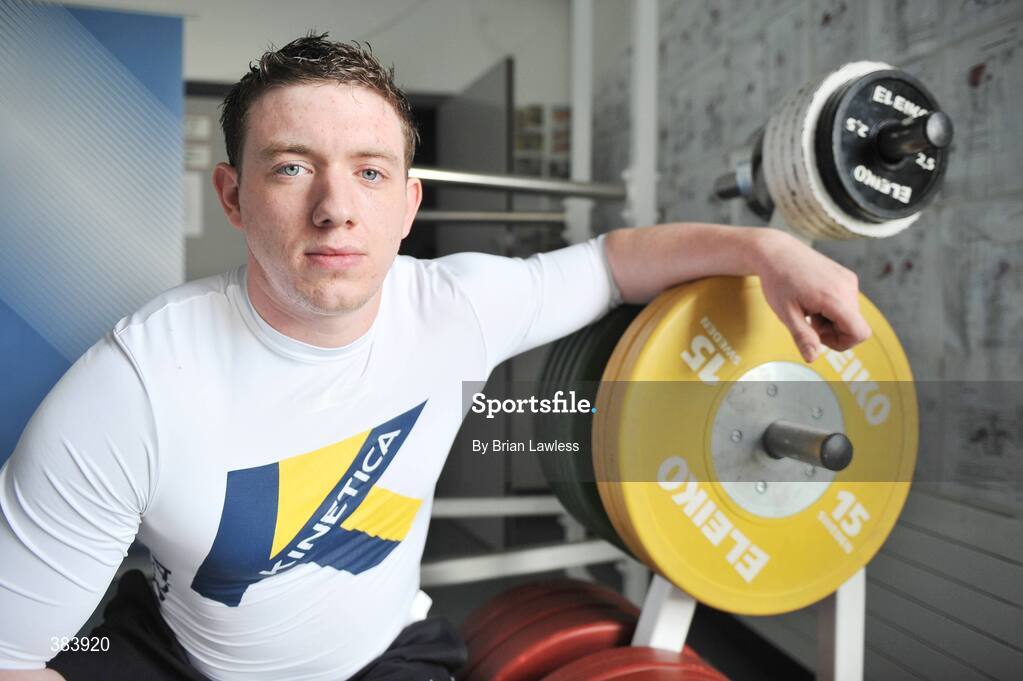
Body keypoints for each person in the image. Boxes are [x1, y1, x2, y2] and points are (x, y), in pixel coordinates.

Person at [0, 33, 868, 681]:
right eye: (292, 167)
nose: (336, 207)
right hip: (176, 656)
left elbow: (614, 264)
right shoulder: (130, 391)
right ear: (233, 195)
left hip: (385, 657)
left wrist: (767, 251)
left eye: (370, 172)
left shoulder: (457, 306)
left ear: (409, 204)